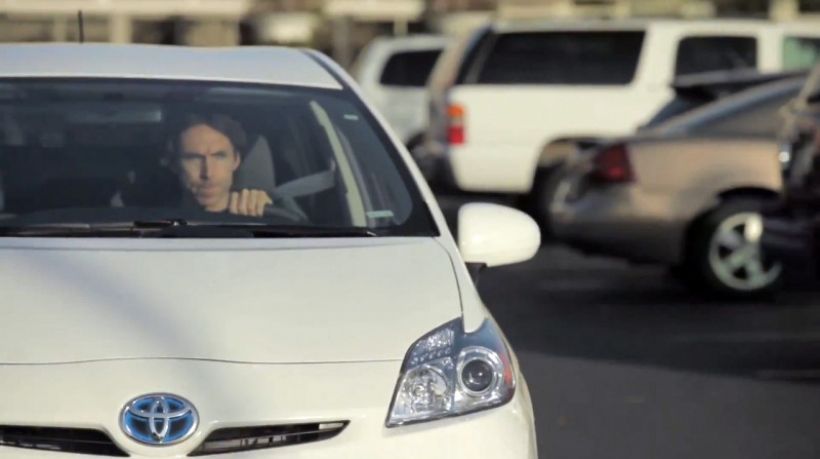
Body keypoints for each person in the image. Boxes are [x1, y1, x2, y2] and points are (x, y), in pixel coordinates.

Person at [170, 113, 272, 217]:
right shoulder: (157, 219)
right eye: (194, 158)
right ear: (174, 164)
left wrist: (268, 211)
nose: (208, 173)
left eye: (219, 157)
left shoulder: (265, 213)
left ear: (236, 160)